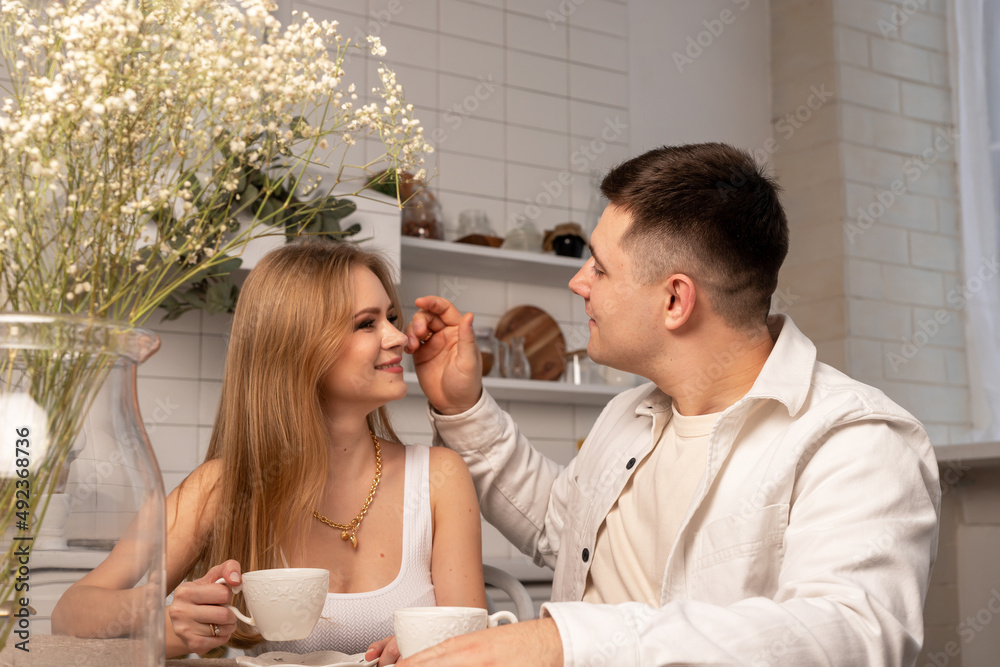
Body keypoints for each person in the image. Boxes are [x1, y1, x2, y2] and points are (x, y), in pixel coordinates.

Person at [391, 143, 941, 666]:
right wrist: (462, 408)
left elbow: (851, 638)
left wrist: (568, 645)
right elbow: (558, 531)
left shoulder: (857, 440)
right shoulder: (628, 414)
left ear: (676, 299)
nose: (578, 281)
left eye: (600, 268)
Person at [52, 241, 486, 662]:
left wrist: (432, 649)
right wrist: (164, 618)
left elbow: (474, 646)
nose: (400, 338)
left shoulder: (439, 477)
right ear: (297, 346)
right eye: (366, 323)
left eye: (391, 317)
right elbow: (70, 612)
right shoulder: (221, 487)